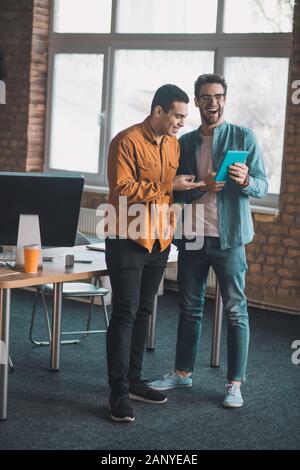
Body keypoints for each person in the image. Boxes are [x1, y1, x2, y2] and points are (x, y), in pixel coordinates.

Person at [148, 73, 268, 408]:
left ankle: (234, 384)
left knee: (235, 310)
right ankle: (182, 374)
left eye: (217, 96)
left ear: (225, 99)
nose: (211, 103)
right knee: (190, 308)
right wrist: (202, 186)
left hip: (229, 239)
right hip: (194, 238)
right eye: (204, 97)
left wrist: (245, 180)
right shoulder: (183, 142)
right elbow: (175, 191)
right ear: (197, 102)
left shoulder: (243, 137)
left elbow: (262, 185)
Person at [105, 84, 201, 422]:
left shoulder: (173, 144)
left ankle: (134, 381)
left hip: (160, 240)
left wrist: (186, 188)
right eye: (177, 115)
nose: (181, 123)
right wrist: (169, 186)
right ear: (158, 112)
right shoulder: (126, 140)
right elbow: (122, 190)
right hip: (127, 237)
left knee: (145, 312)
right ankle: (118, 393)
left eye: (184, 117)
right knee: (124, 313)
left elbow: (167, 192)